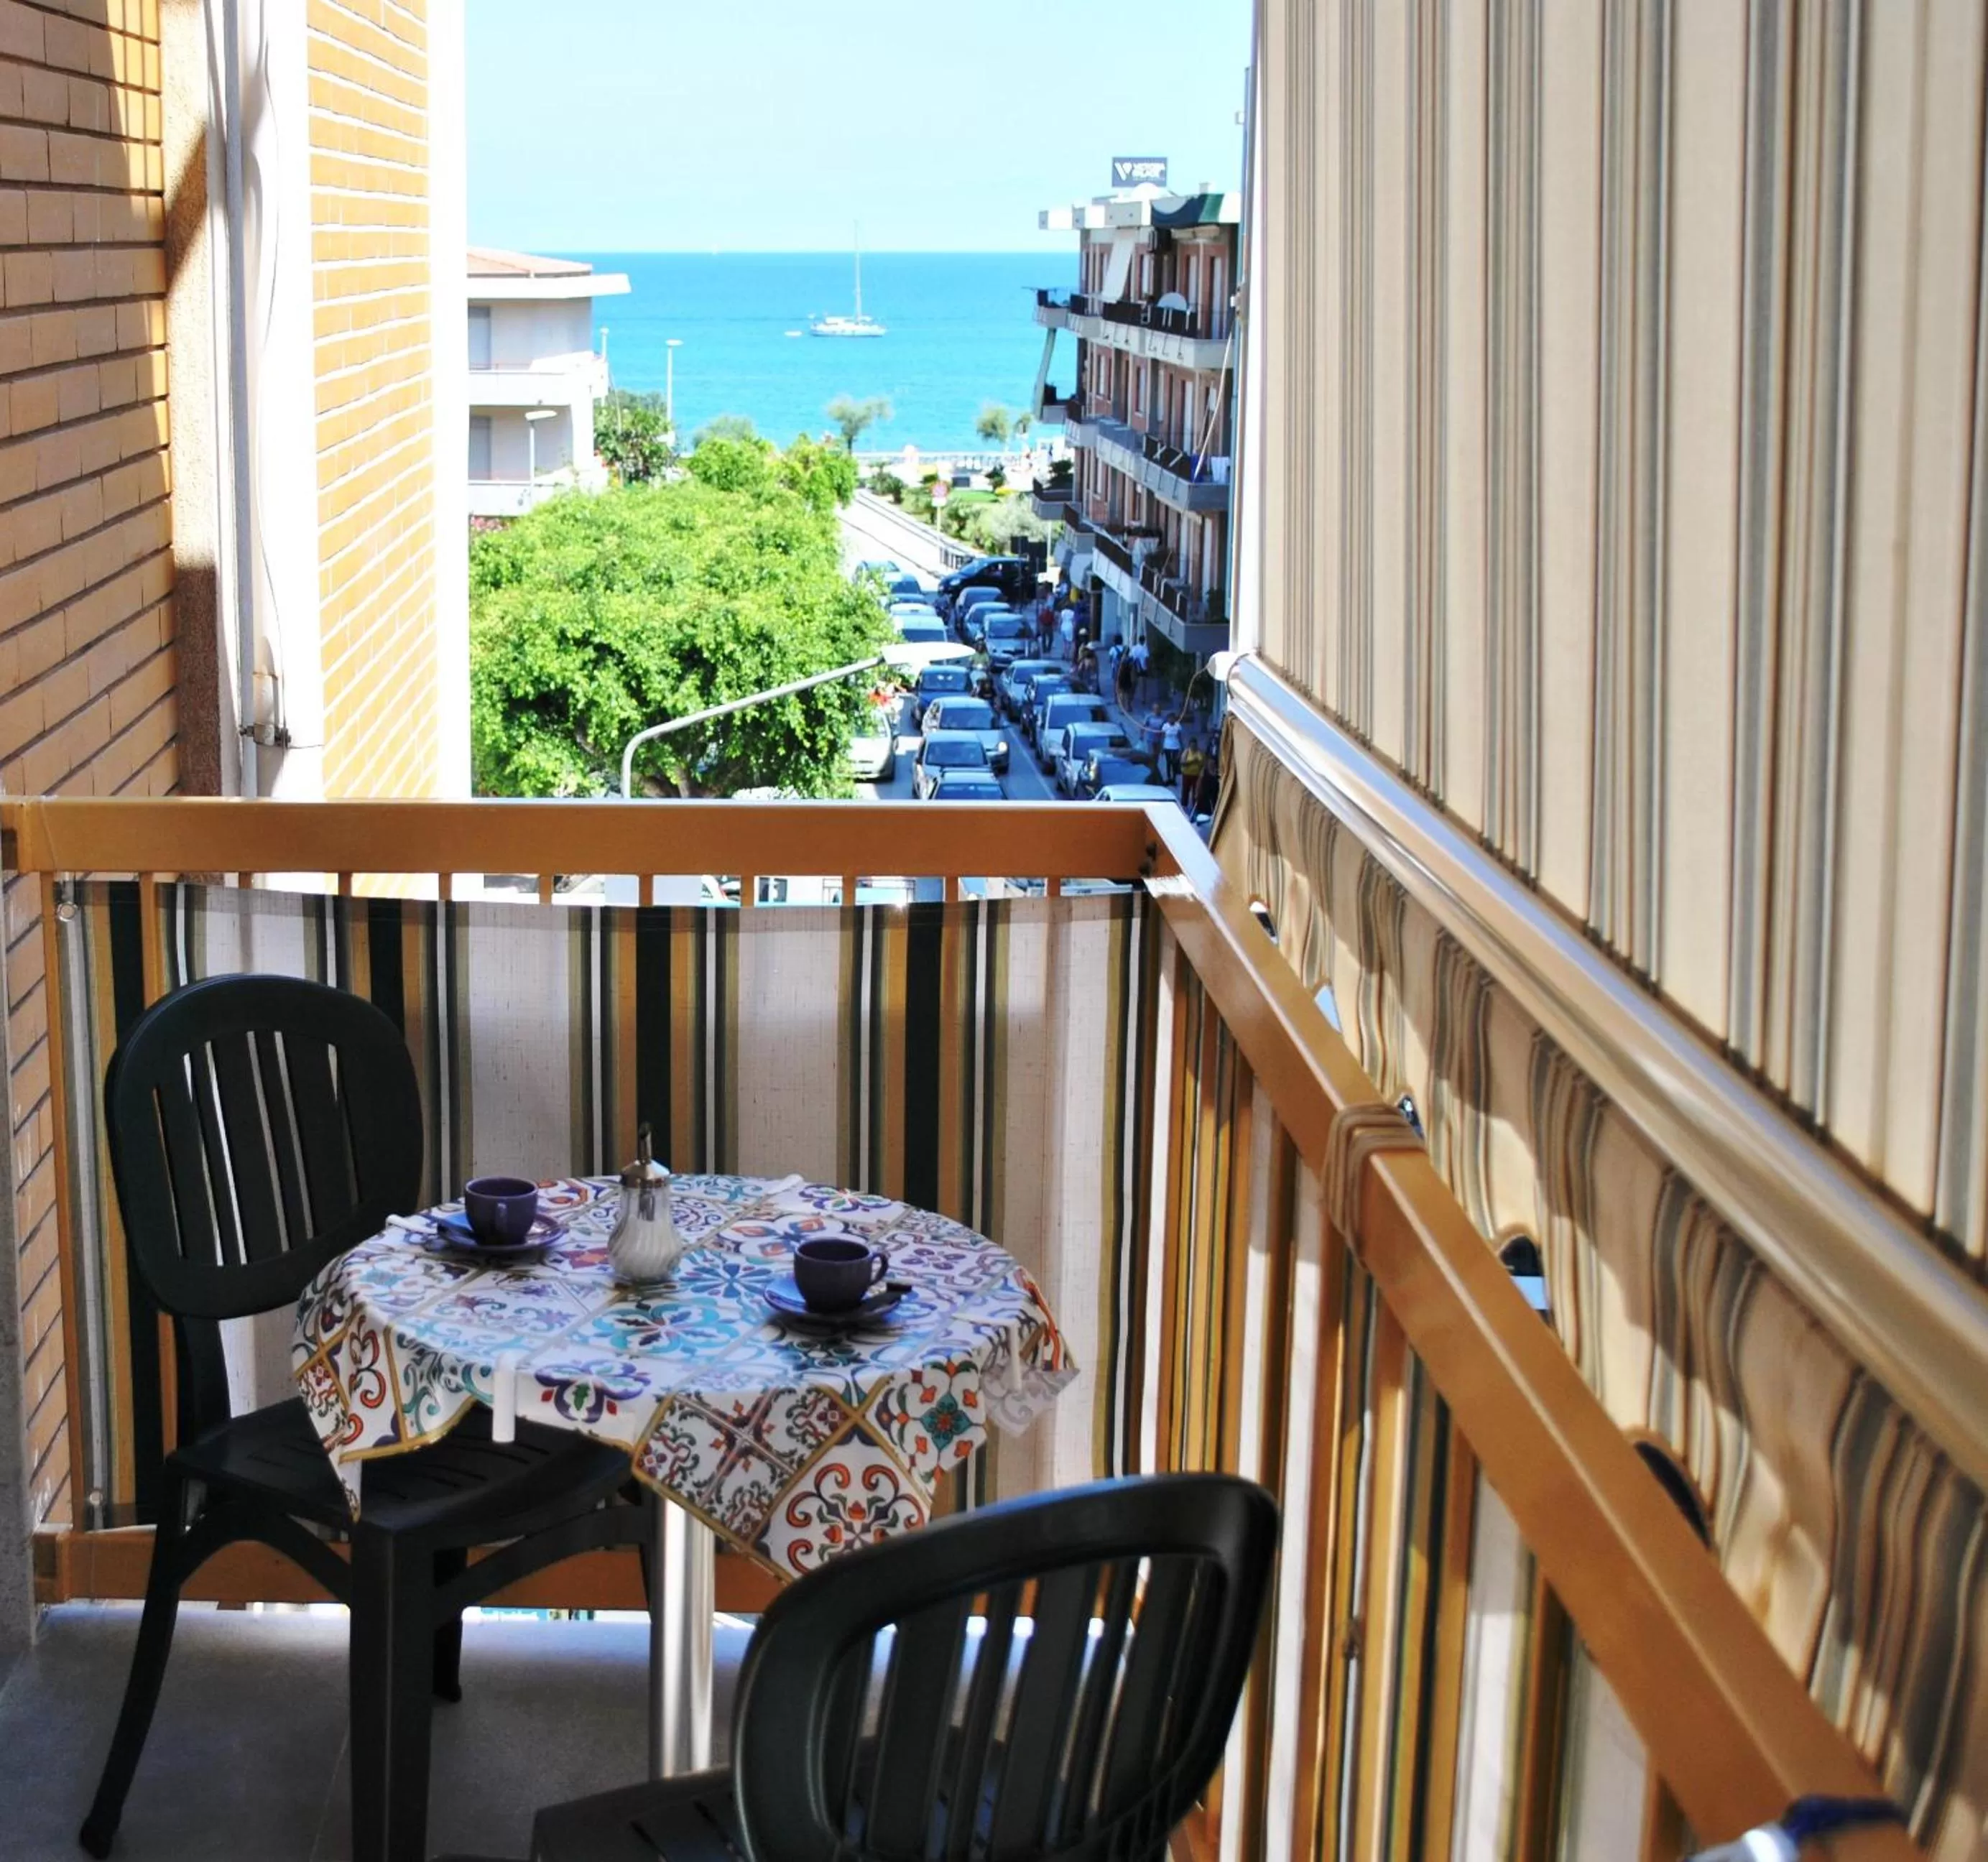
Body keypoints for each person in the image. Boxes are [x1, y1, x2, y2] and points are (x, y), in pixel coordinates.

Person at [1178, 736, 1206, 807]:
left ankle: (1195, 806)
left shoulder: (1199, 752)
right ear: (1189, 745)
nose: (1193, 747)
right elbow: (1182, 762)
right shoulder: (1187, 751)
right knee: (1185, 791)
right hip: (1187, 774)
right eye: (1192, 745)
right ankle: (1184, 805)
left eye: (1195, 745)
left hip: (1196, 775)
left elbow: (1203, 763)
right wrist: (1193, 761)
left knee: (1195, 792)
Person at [1160, 714, 1184, 784]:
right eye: (1170, 719)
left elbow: (1179, 737)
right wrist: (1162, 748)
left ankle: (1174, 778)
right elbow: (1162, 737)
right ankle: (1169, 778)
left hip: (1176, 746)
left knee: (1175, 763)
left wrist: (1182, 746)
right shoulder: (1165, 726)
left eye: (1172, 719)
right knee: (1168, 763)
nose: (1171, 720)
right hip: (1167, 746)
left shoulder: (1178, 726)